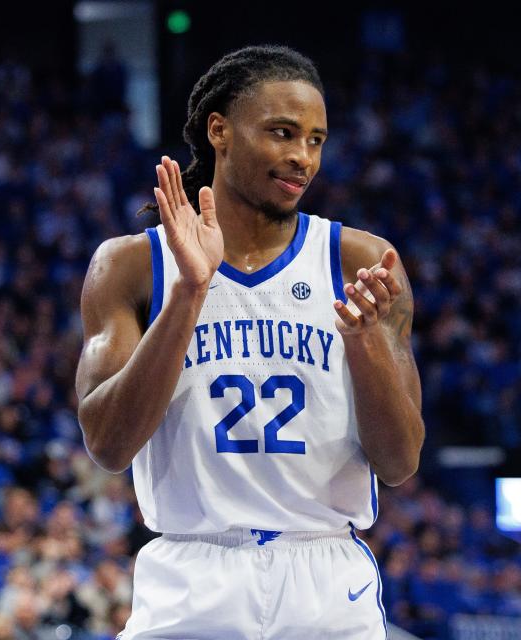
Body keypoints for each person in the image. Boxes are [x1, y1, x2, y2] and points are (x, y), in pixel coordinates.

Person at [75, 44, 424, 639]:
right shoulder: (132, 266)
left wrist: (364, 343)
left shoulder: (360, 262)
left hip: (325, 579)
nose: (302, 158)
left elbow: (399, 462)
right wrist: (189, 291)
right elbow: (108, 445)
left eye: (316, 139)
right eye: (282, 133)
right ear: (220, 130)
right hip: (191, 576)